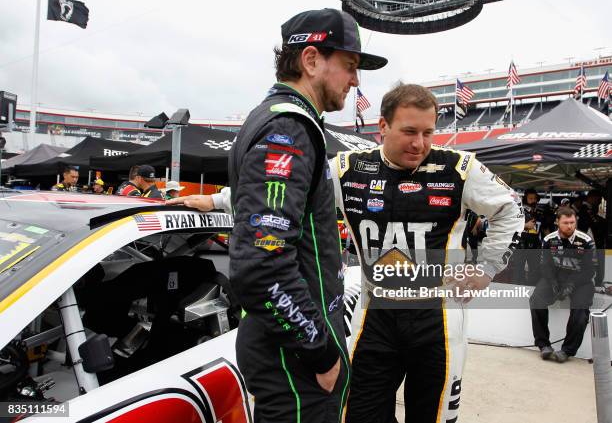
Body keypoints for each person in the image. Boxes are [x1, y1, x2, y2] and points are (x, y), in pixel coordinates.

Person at [170, 83, 523, 423]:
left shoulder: (460, 167)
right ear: (382, 126)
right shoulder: (350, 168)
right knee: (357, 413)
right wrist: (216, 199)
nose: (420, 144)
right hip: (375, 313)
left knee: (432, 414)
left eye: (429, 133)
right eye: (409, 131)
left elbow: (510, 210)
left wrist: (485, 269)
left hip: (438, 316)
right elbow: (285, 189)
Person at [176, 8, 386, 423]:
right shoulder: (288, 128)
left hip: (286, 349)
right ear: (311, 60)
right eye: (349, 65)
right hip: (294, 358)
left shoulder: (281, 120)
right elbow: (261, 264)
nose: (356, 80)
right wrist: (321, 351)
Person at [529, 207, 595, 363]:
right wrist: (552, 282)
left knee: (580, 312)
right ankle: (544, 345)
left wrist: (571, 285)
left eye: (572, 222)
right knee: (536, 300)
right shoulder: (548, 240)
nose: (570, 226)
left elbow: (589, 271)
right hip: (556, 277)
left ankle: (567, 350)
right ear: (557, 222)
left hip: (580, 281)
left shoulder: (586, 241)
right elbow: (545, 266)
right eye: (566, 223)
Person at [511, 188, 552, 285]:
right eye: (530, 198)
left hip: (535, 246)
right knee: (518, 271)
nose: (533, 200)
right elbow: (509, 226)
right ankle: (515, 293)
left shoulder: (540, 212)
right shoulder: (518, 210)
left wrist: (551, 241)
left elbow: (545, 228)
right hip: (520, 245)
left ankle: (531, 292)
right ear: (525, 198)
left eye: (535, 198)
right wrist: (525, 225)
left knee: (535, 272)